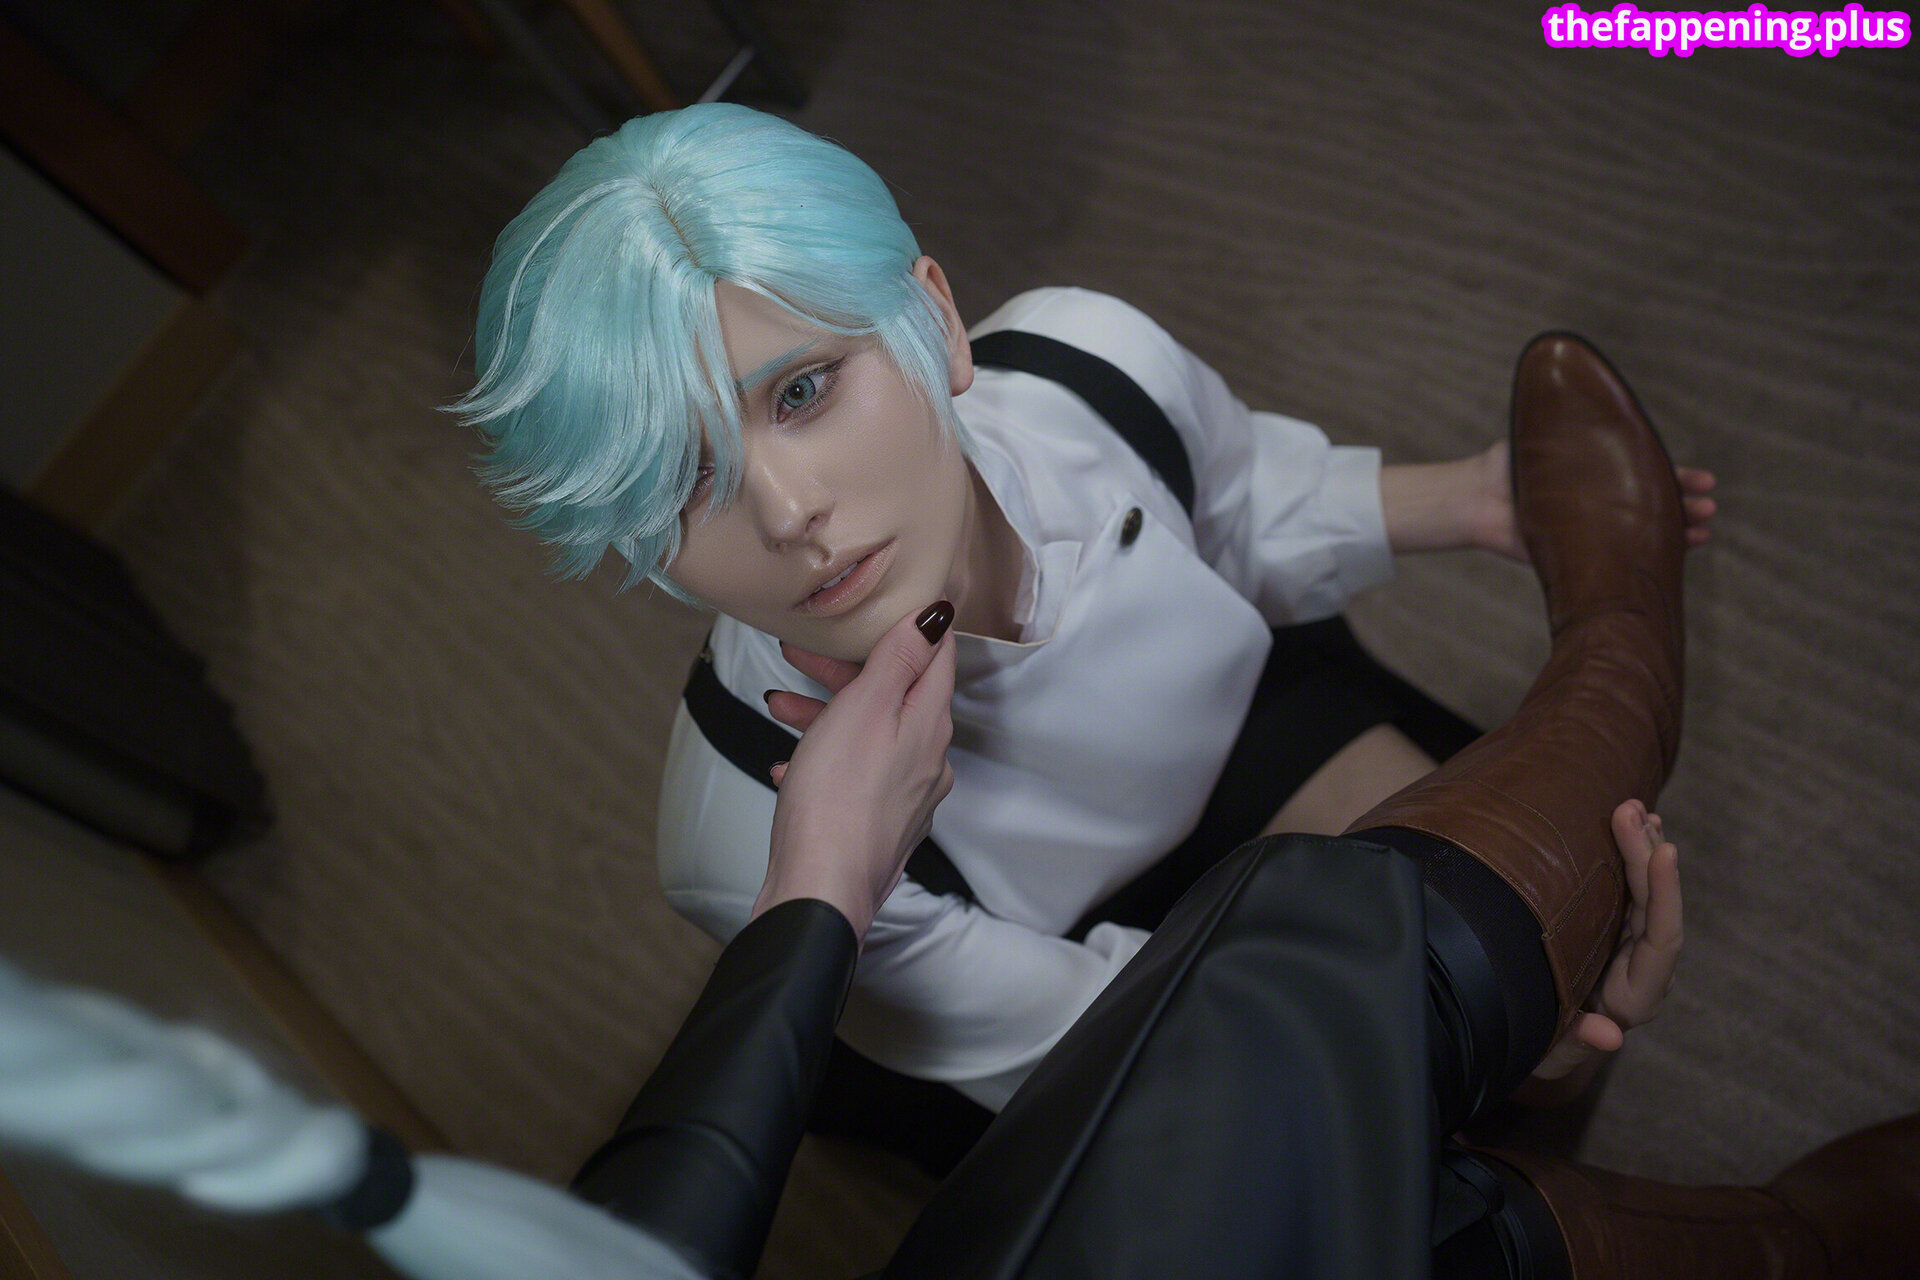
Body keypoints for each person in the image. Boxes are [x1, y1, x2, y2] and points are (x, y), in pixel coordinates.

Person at [450, 105, 1719, 1156]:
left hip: (1224, 719)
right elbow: (1148, 1048)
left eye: (803, 388)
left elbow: (1238, 505)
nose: (789, 514)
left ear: (934, 322)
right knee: (1414, 1102)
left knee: (1544, 908)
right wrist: (1492, 1035)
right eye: (685, 481)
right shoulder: (752, 842)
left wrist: (1473, 500)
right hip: (1066, 983)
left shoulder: (1083, 359)